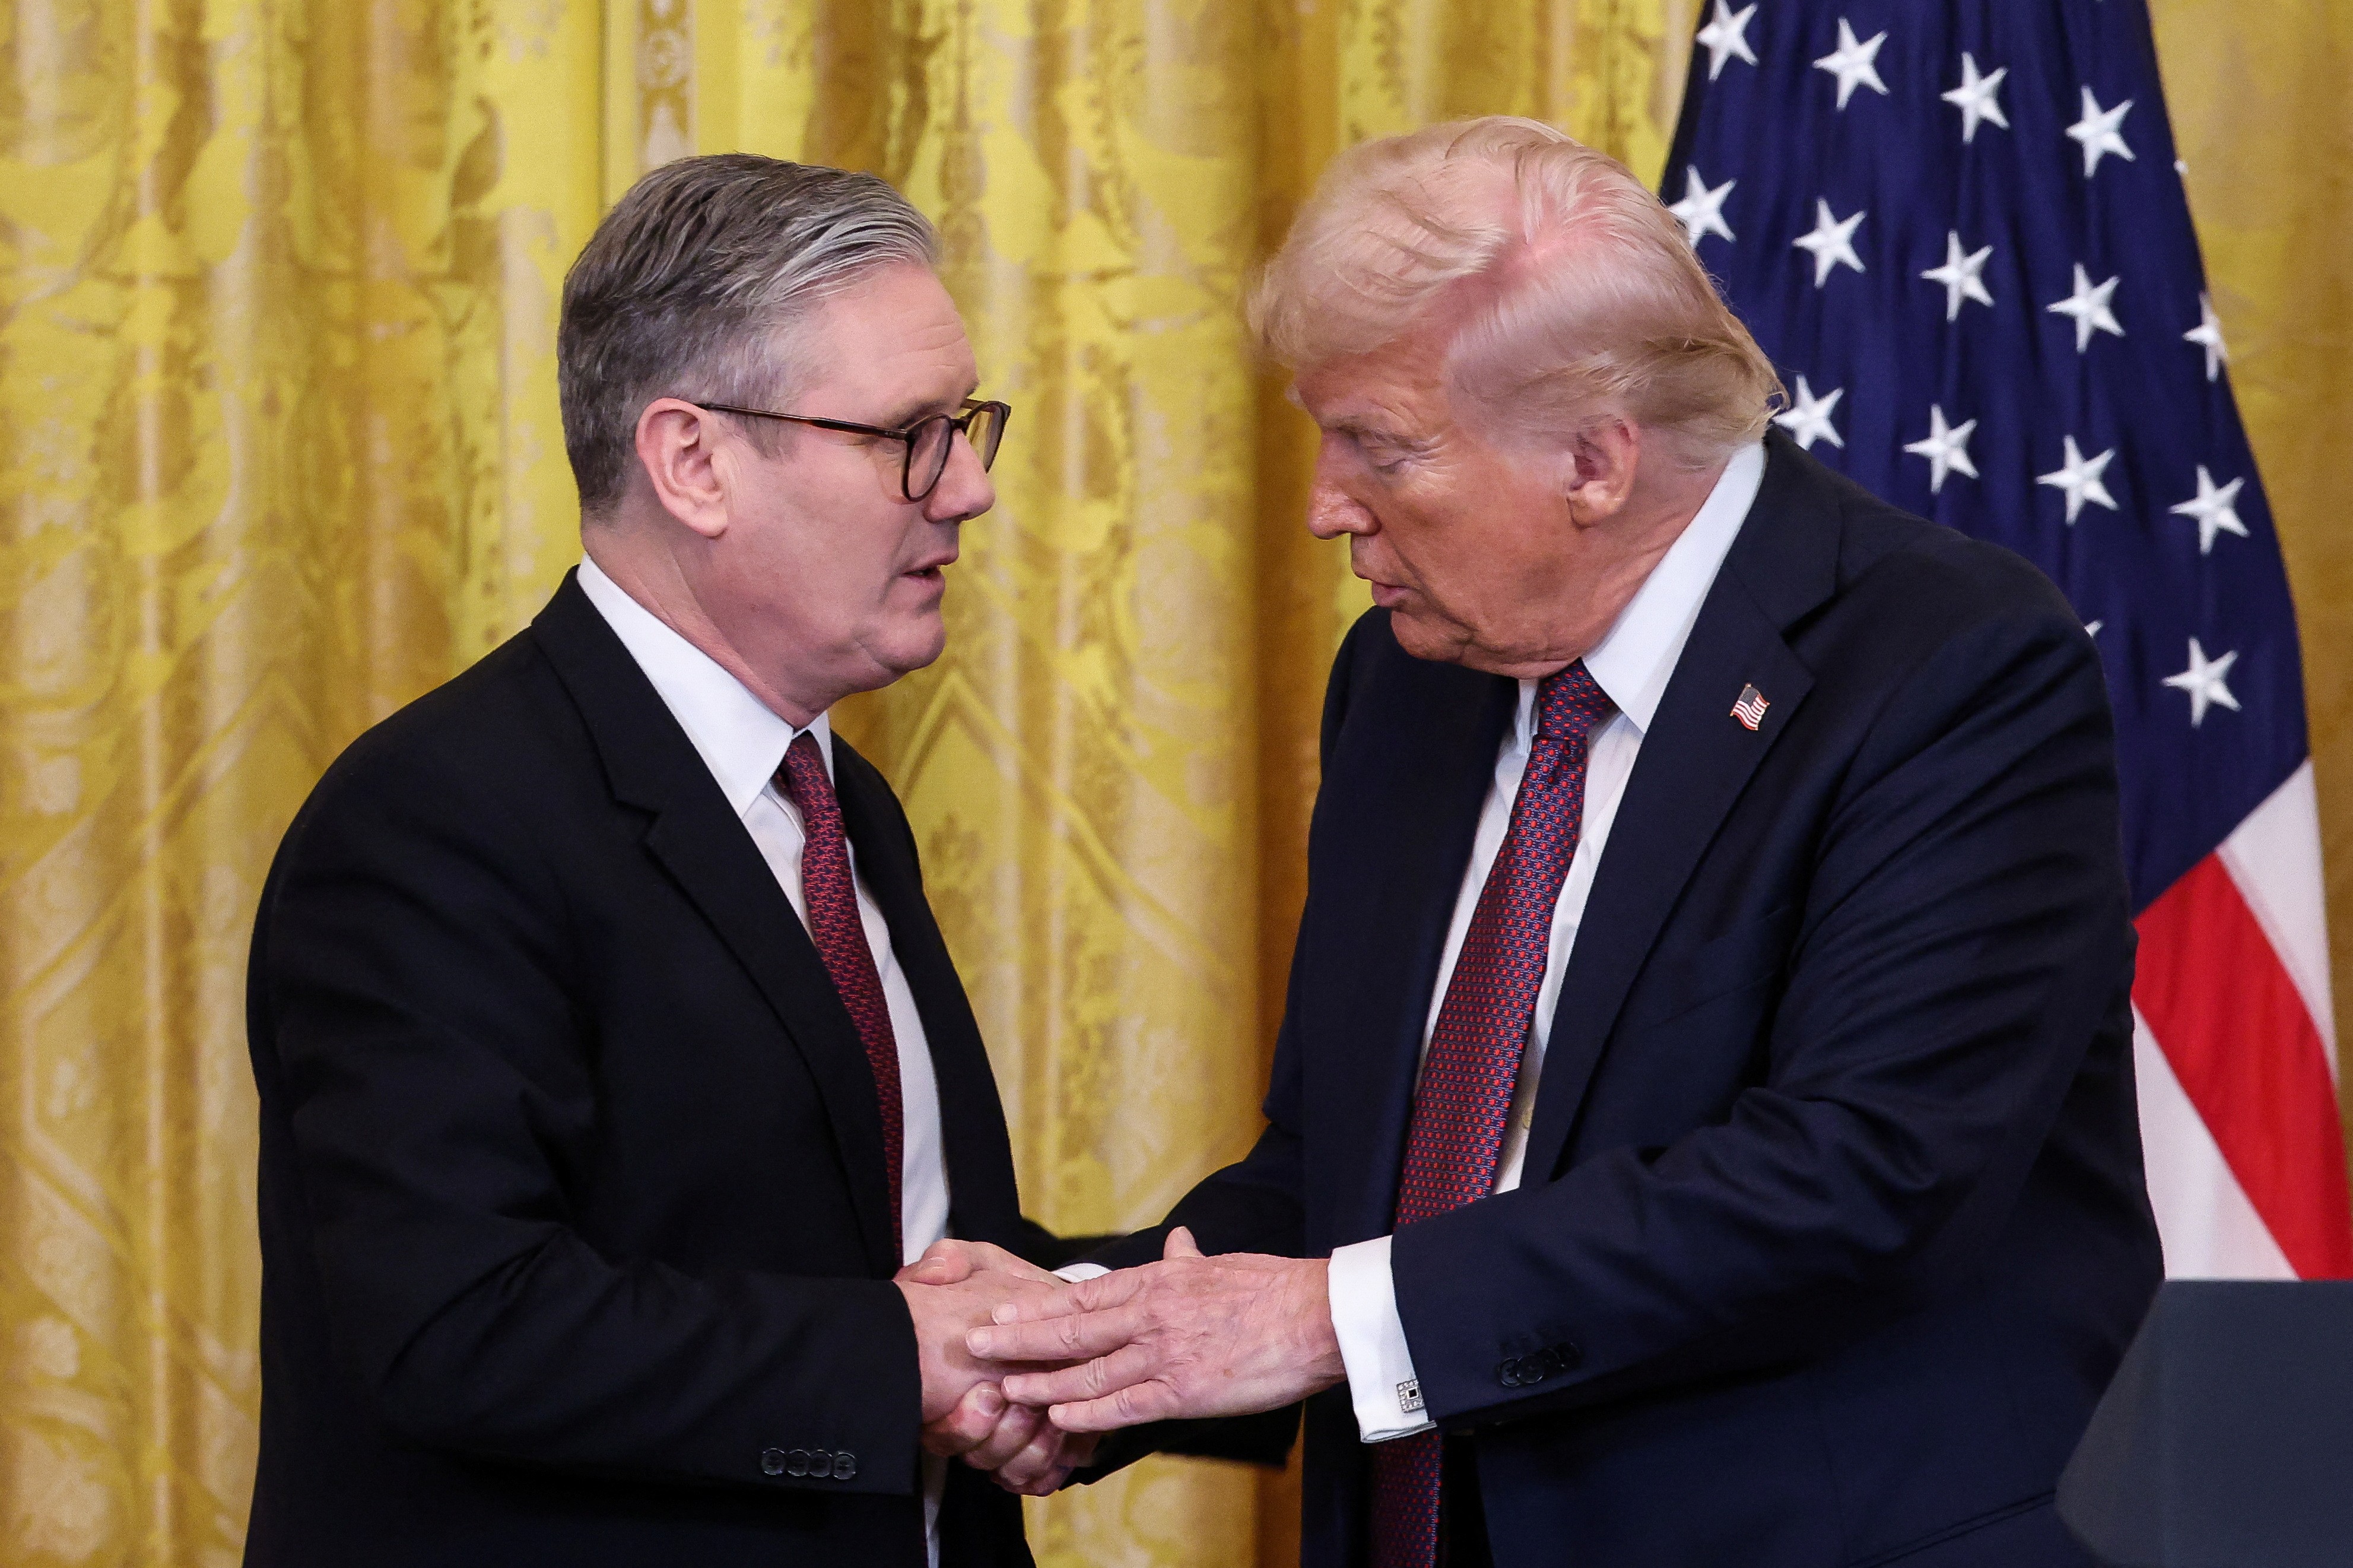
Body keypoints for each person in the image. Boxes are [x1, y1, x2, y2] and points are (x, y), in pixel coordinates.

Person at [960, 118, 2164, 1568]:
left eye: (1380, 448)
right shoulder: (1406, 678)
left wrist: (1323, 1320)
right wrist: (1080, 1340)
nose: (1326, 507)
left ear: (1594, 459)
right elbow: (1349, 1171)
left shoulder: (1949, 667)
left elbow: (1859, 1176)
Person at [242, 154, 1090, 1568]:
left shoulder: (842, 801)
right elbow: (459, 1322)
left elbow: (866, 1248)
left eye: (967, 425)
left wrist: (1174, 1327)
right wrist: (903, 1358)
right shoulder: (431, 819)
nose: (970, 487)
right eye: (911, 434)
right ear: (693, 462)